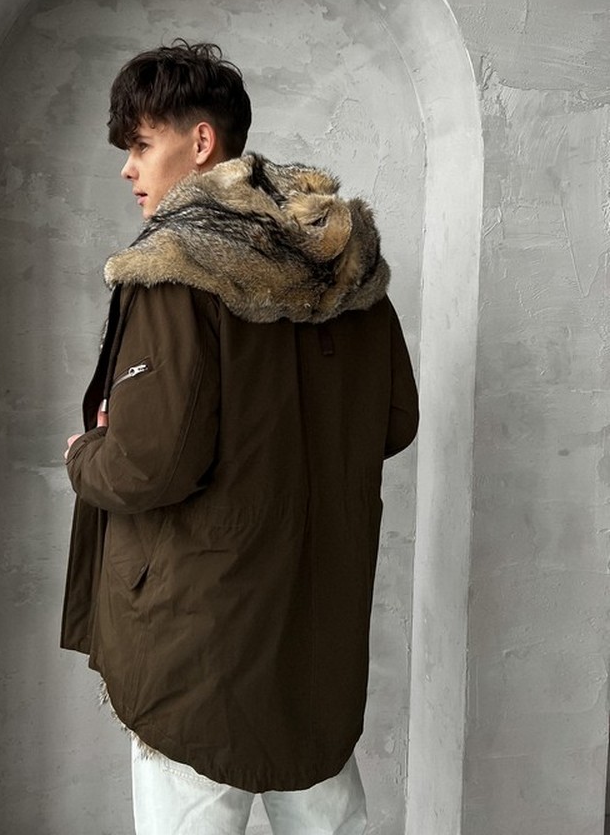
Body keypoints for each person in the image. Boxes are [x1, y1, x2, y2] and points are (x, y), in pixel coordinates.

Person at [61, 40, 419, 835]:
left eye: (140, 144)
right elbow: (396, 421)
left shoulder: (174, 271)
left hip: (200, 648)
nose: (127, 169)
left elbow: (150, 463)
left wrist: (87, 455)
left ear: (200, 142)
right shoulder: (346, 270)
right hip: (316, 638)